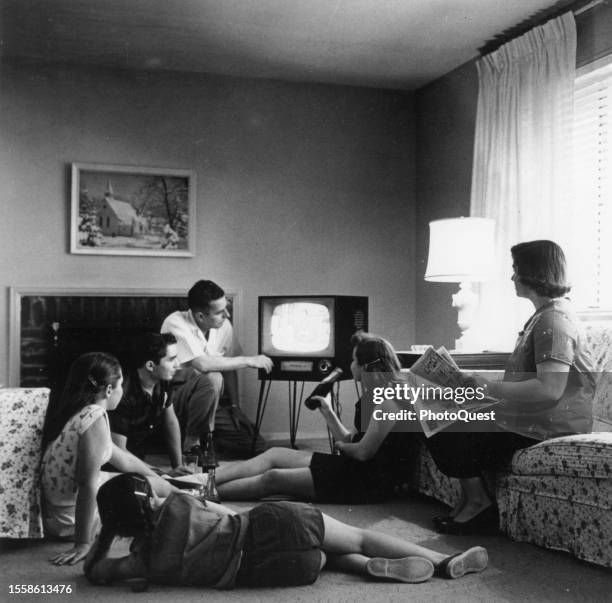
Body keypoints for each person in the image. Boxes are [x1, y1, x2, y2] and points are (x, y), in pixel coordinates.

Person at [424, 240, 596, 534]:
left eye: (516, 269)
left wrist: (486, 387)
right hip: (530, 419)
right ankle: (470, 500)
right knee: (436, 408)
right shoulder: (543, 316)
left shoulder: (554, 321)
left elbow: (549, 390)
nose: (512, 277)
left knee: (446, 419)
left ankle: (478, 504)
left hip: (550, 426)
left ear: (533, 272)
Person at [83, 473, 488, 589]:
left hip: (270, 574)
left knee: (325, 559)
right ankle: (443, 560)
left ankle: (366, 568)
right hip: (270, 527)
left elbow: (95, 574)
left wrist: (104, 536)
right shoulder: (178, 502)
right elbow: (225, 509)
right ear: (150, 498)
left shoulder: (145, 563)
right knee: (357, 534)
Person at [214, 332, 418, 503]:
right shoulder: (371, 396)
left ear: (366, 367)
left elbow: (362, 452)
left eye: (355, 360)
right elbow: (350, 440)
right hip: (354, 467)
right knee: (275, 453)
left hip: (369, 481)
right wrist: (328, 412)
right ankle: (206, 479)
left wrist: (341, 448)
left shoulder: (390, 399)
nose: (351, 365)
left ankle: (206, 494)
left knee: (273, 478)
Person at [41, 352, 174, 566]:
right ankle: (194, 500)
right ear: (109, 390)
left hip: (57, 513)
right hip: (69, 519)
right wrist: (83, 543)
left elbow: (122, 458)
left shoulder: (79, 411)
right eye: (121, 384)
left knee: (158, 484)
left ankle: (186, 491)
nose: (123, 391)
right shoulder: (94, 416)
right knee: (154, 499)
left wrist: (161, 476)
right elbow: (87, 485)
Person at [161, 280, 273, 455]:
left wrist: (235, 407)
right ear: (200, 316)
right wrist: (249, 360)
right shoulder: (175, 322)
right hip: (175, 400)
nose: (227, 315)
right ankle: (192, 442)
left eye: (226, 308)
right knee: (213, 377)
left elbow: (229, 367)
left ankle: (207, 437)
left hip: (210, 404)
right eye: (220, 312)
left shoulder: (223, 325)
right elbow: (203, 364)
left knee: (258, 446)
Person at [107, 333, 187, 473]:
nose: (178, 365)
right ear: (150, 365)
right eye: (171, 359)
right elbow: (119, 452)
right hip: (115, 469)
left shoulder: (164, 382)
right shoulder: (122, 394)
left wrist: (178, 466)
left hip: (140, 464)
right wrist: (161, 474)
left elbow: (171, 422)